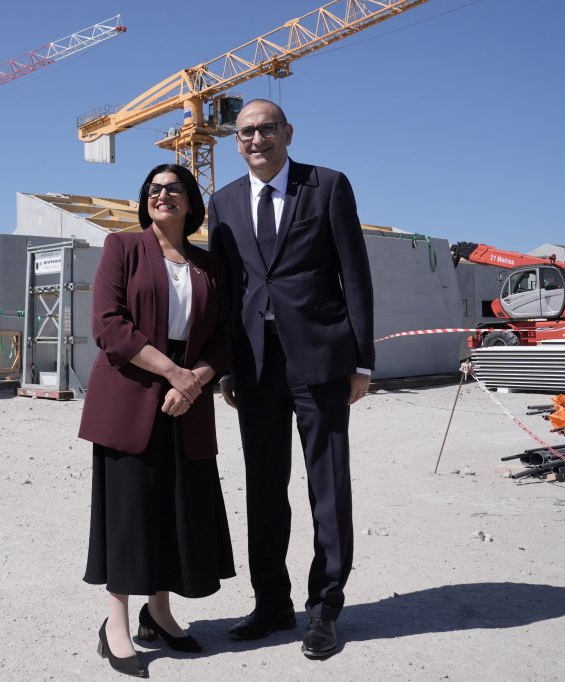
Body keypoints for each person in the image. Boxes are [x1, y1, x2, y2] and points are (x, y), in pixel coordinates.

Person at [208, 99, 374, 659]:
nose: (256, 139)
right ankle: (272, 602)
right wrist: (226, 363)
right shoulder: (224, 201)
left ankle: (325, 607)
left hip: (321, 360)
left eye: (266, 129)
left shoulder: (327, 186)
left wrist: (361, 360)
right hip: (255, 365)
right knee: (263, 489)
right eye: (246, 132)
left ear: (287, 132)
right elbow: (225, 290)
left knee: (327, 488)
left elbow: (354, 271)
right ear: (236, 141)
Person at [80, 164, 235, 677]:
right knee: (129, 515)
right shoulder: (121, 249)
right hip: (132, 394)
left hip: (186, 400)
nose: (161, 195)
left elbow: (225, 339)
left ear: (191, 202)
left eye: (173, 189)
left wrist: (195, 381)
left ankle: (160, 611)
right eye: (153, 189)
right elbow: (108, 325)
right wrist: (174, 373)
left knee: (174, 510)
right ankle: (116, 622)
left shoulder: (210, 266)